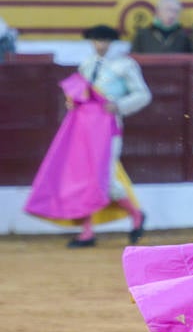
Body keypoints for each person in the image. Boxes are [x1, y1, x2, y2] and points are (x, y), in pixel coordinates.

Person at [25, 25, 151, 248]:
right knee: (83, 177)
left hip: (109, 128)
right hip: (85, 129)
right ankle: (87, 232)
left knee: (106, 178)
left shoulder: (125, 65)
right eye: (96, 41)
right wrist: (72, 101)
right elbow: (80, 93)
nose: (99, 45)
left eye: (103, 41)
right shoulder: (88, 64)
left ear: (112, 43)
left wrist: (119, 105)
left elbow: (143, 95)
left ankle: (136, 214)